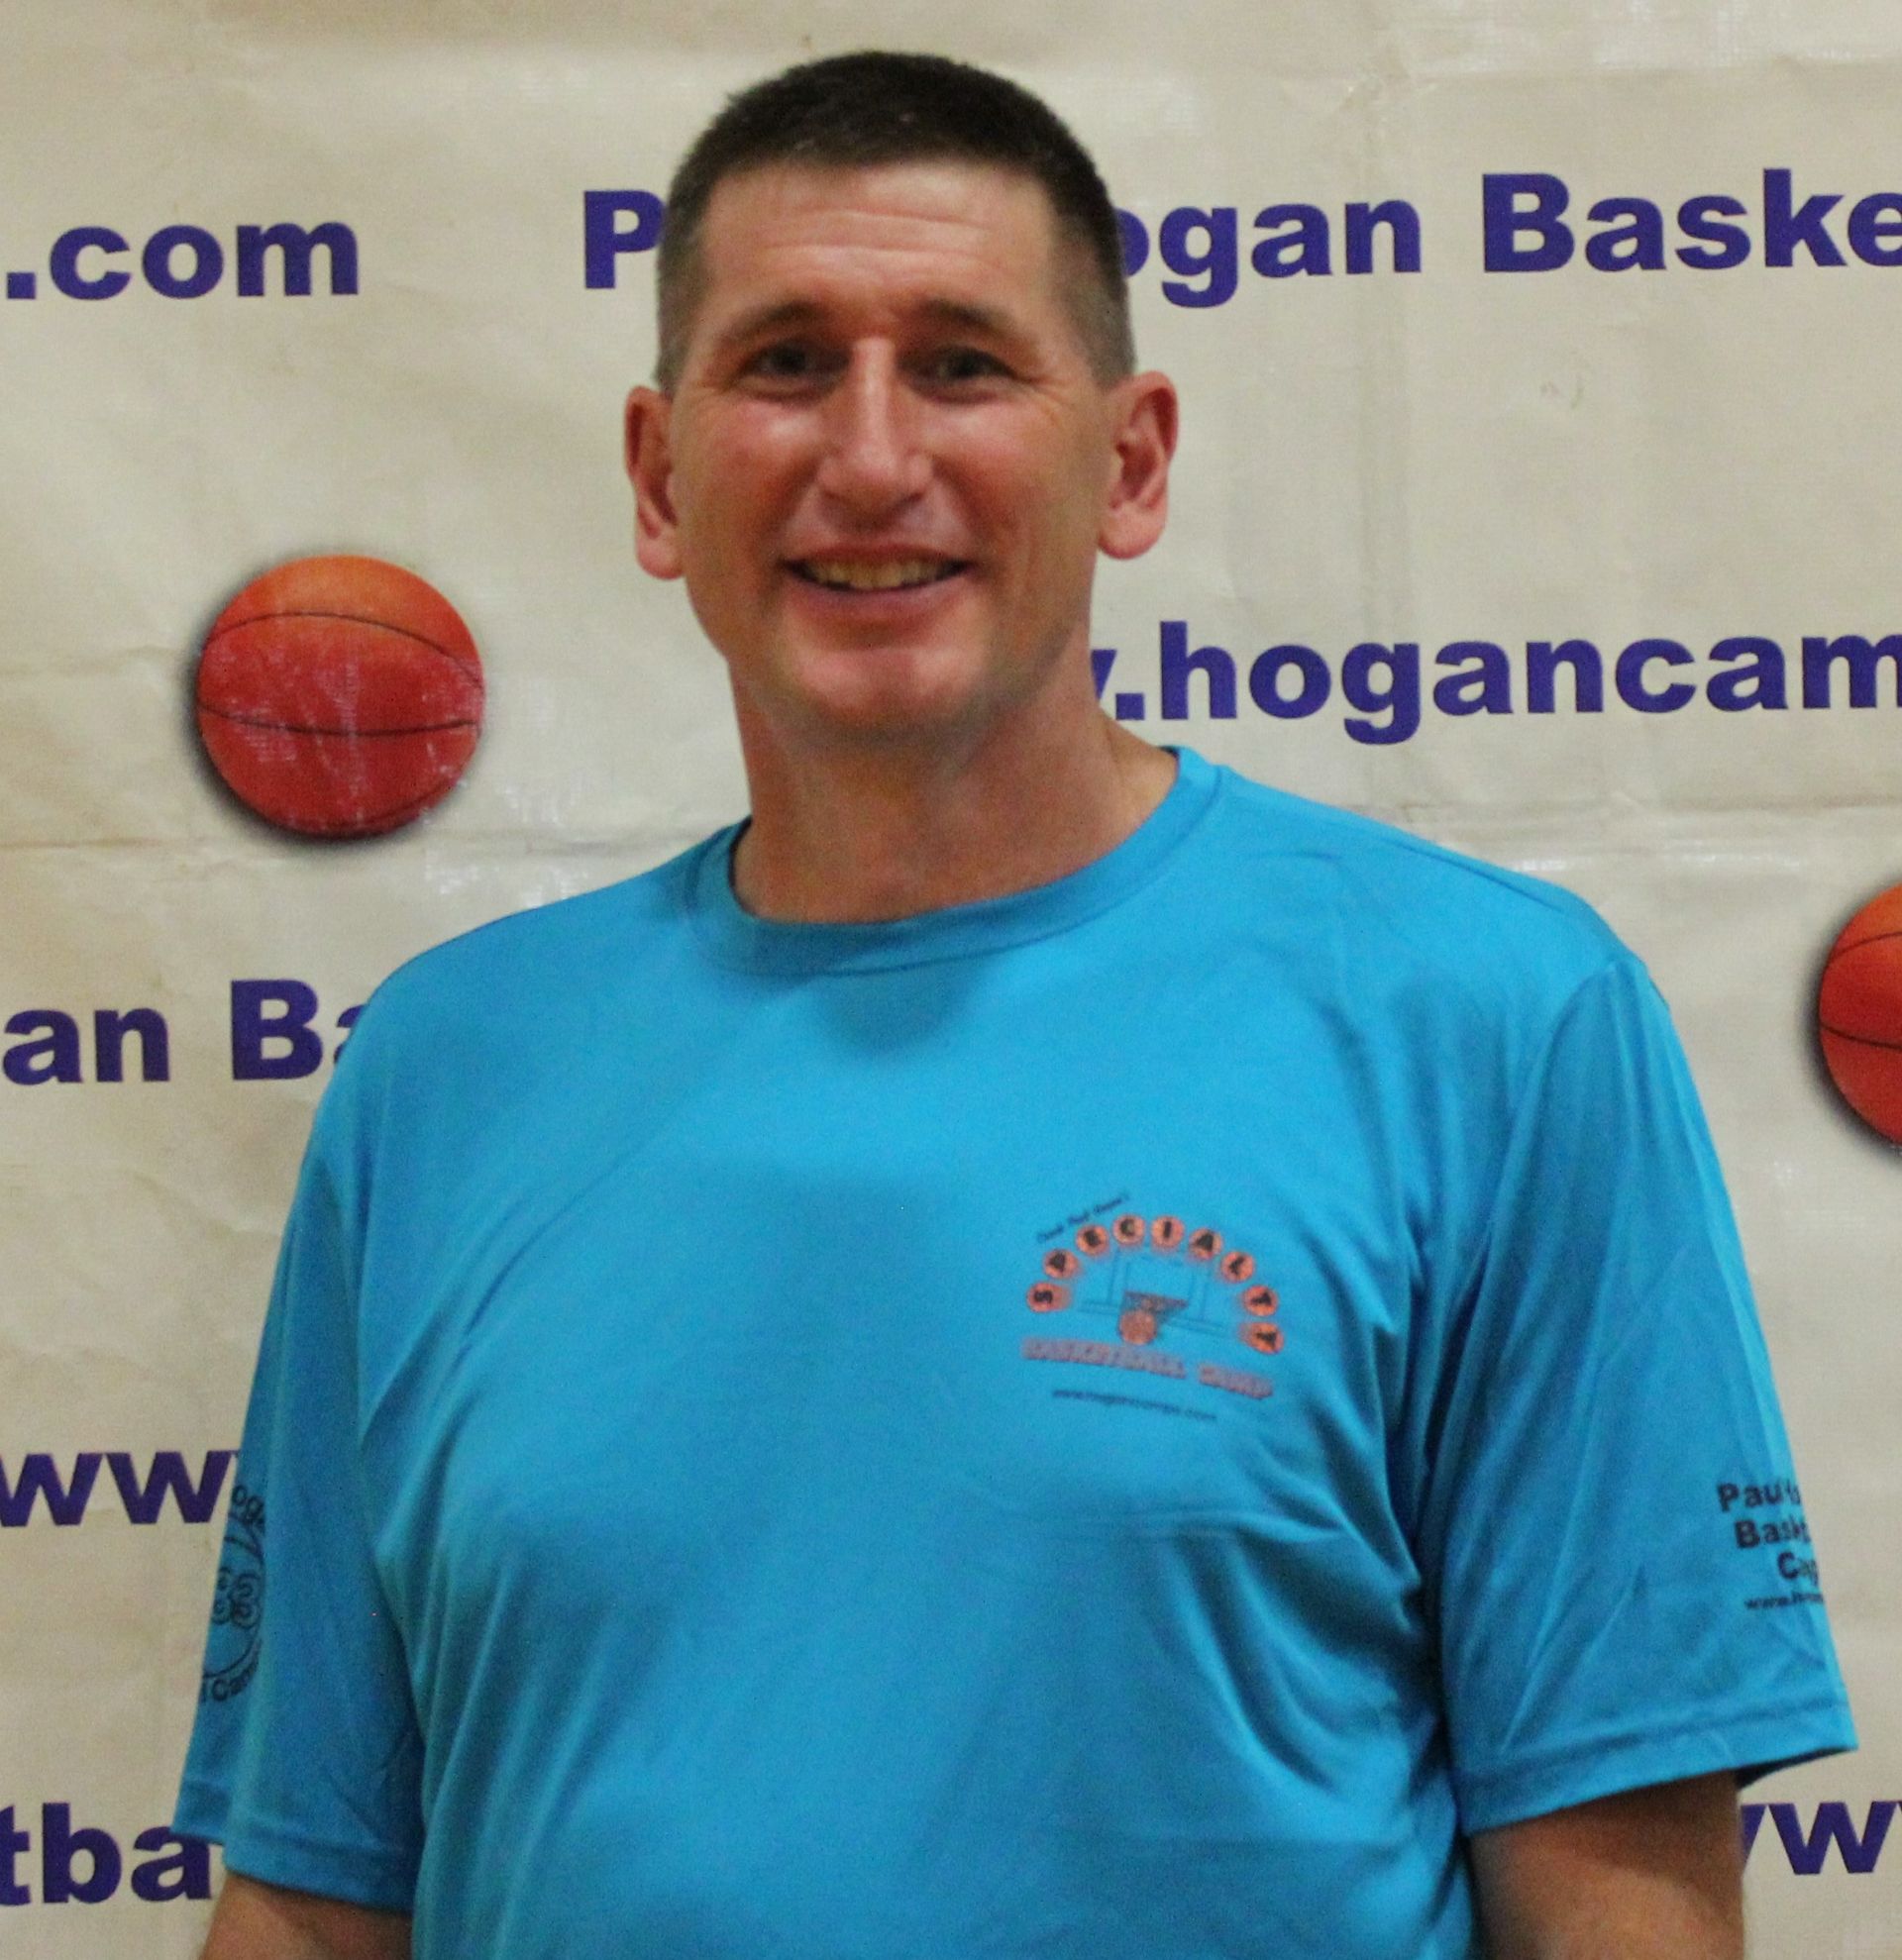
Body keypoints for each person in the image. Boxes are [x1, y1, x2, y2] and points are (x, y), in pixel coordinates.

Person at [177, 50, 1854, 1960]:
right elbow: (313, 1897)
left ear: (1128, 463)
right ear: (659, 477)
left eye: (964, 363)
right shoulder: (442, 1070)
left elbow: (1621, 1893)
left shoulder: (1490, 1022)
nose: (872, 457)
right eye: (786, 360)